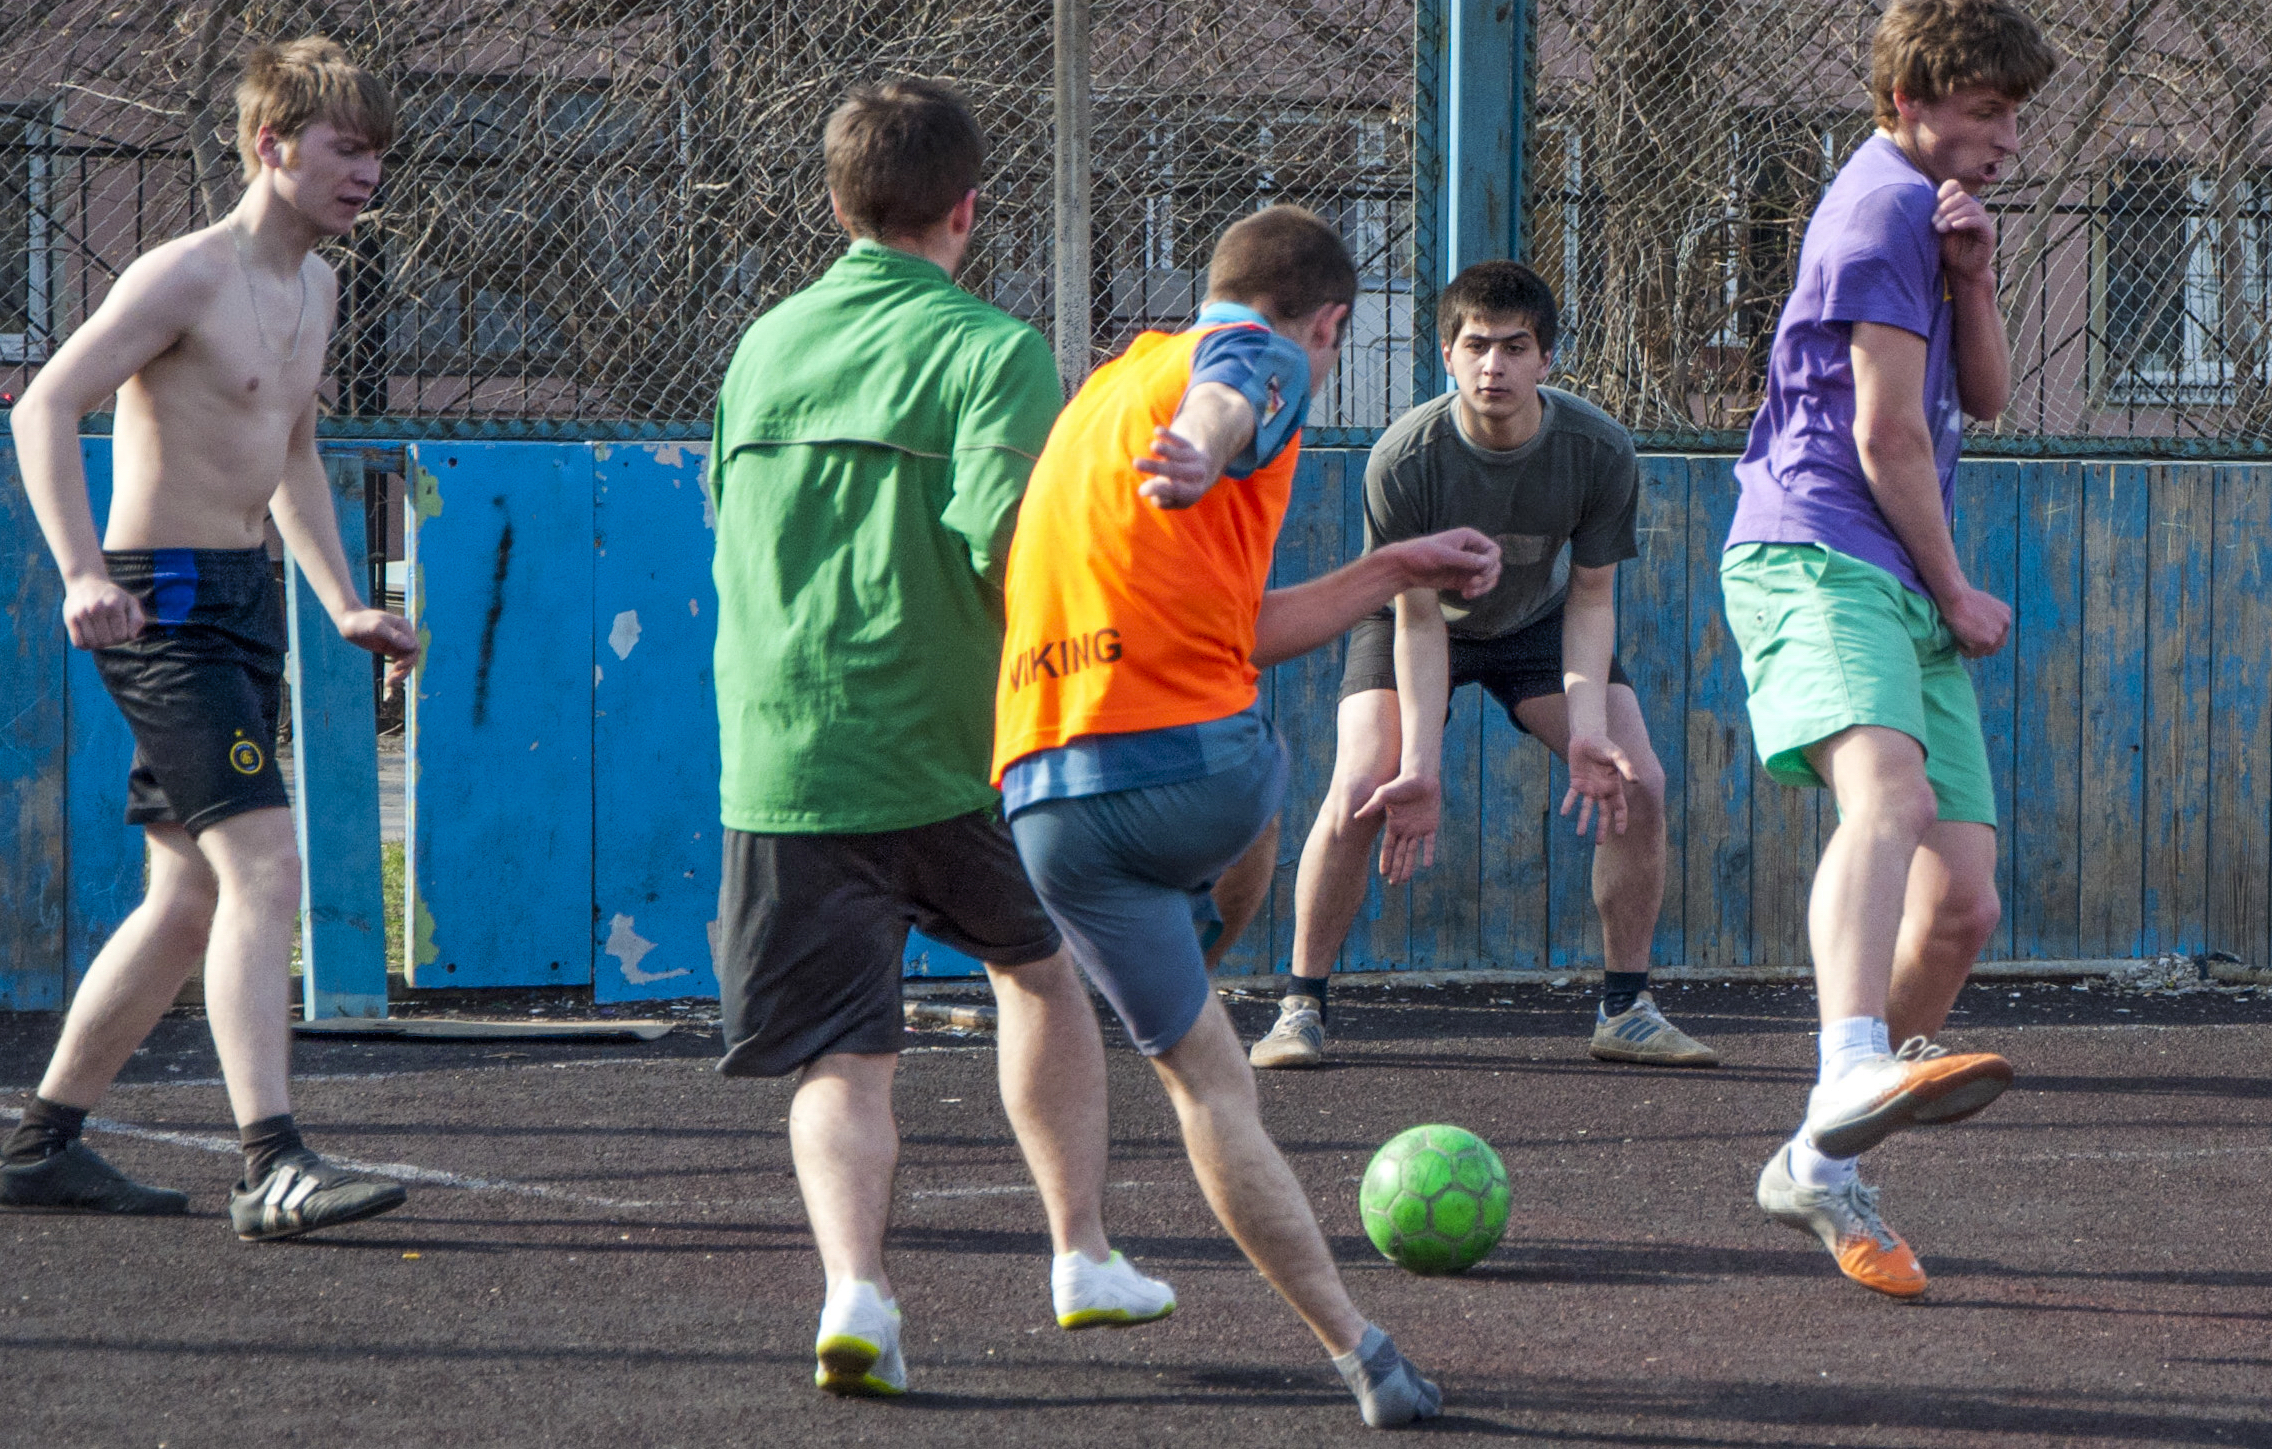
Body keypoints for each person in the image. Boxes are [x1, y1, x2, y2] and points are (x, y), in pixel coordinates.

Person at [994, 204, 1502, 1429]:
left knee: (1211, 1084)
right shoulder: (1254, 358)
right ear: (1331, 323)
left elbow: (1239, 629)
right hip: (1190, 767)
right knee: (1266, 776)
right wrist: (1206, 444)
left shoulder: (1098, 399)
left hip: (1043, 796)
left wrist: (1394, 567)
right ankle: (1211, 931)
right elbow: (1237, 383)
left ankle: (1366, 1353)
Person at [706, 78, 1174, 1400]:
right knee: (1037, 969)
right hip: (954, 747)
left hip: (785, 752)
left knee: (847, 1053)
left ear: (835, 200)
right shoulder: (991, 350)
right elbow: (1007, 546)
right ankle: (1079, 1251)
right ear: (968, 206)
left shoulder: (763, 346)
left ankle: (856, 1291)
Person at [0, 38, 418, 1239]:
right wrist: (79, 571)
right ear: (271, 144)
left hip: (241, 597)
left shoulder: (320, 289)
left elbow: (289, 451)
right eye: (345, 148)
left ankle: (39, 1146)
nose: (367, 173)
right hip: (157, 598)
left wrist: (340, 600)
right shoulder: (184, 275)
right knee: (267, 868)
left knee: (186, 898)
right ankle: (269, 1160)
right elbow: (45, 402)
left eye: (378, 153)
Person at [1721, 0, 2056, 1298]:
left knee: (1963, 903)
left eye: (2014, 117)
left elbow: (1981, 392)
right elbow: (1884, 434)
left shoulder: (1933, 218)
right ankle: (1850, 1054)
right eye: (1983, 111)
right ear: (1908, 102)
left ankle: (1817, 1153)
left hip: (1892, 576)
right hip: (1817, 550)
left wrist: (1976, 274)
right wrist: (1956, 585)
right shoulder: (1874, 205)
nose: (2007, 140)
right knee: (1886, 793)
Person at [1248, 260, 1716, 1071]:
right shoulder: (1404, 458)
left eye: (1513, 347)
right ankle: (1300, 1006)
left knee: (1636, 779)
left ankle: (1625, 1008)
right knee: (1363, 788)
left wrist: (1588, 734)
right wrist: (1420, 769)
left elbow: (1592, 601)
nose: (1492, 365)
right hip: (1408, 618)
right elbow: (1419, 621)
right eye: (1475, 346)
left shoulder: (1597, 449)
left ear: (1545, 360)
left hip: (1538, 622)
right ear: (1447, 356)